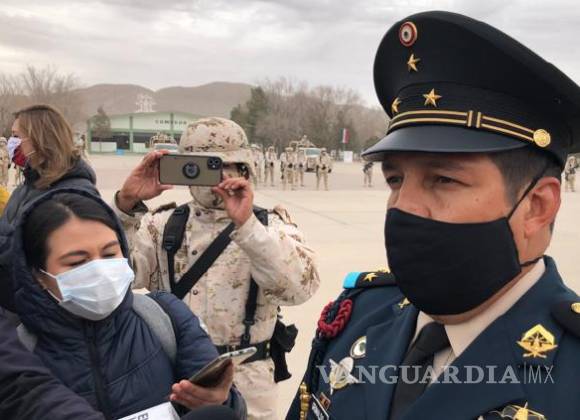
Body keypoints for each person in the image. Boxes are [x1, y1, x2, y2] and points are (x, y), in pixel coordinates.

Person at [288, 11, 580, 420]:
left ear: (537, 206)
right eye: (395, 179)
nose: (402, 206)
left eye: (443, 180)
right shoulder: (359, 316)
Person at [113, 117, 319, 420]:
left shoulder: (270, 227)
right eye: (204, 165)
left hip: (247, 382)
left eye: (227, 165)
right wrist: (126, 206)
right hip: (176, 379)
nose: (216, 176)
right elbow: (116, 281)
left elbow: (298, 290)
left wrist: (248, 228)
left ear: (245, 169)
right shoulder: (162, 225)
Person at [10, 190, 245, 420]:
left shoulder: (165, 317)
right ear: (38, 275)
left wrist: (219, 400)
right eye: (77, 262)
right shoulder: (17, 355)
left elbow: (229, 407)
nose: (100, 271)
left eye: (109, 254)